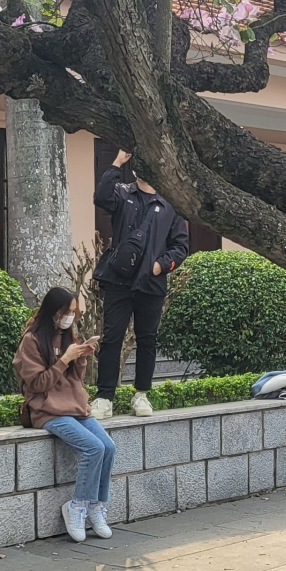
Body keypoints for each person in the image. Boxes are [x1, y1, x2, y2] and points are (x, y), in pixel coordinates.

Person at [90, 149, 189, 419]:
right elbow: (100, 197)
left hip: (151, 283)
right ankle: (104, 397)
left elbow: (180, 247)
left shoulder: (170, 205)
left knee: (147, 339)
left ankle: (141, 394)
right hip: (119, 281)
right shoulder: (123, 193)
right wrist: (116, 163)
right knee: (112, 338)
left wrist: (161, 265)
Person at [13, 287, 117, 542]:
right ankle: (77, 505)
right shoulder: (32, 340)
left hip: (74, 406)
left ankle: (95, 504)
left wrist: (80, 357)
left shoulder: (68, 335)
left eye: (74, 312)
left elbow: (75, 379)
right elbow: (37, 384)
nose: (71, 316)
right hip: (47, 410)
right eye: (67, 311)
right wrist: (63, 360)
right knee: (93, 447)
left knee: (108, 446)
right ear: (53, 311)